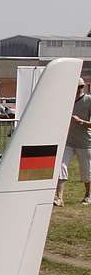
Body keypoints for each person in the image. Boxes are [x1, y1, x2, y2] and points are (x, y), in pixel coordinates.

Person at [54, 78, 91, 207]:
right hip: (68, 142)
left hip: (85, 143)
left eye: (81, 87)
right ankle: (60, 198)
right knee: (61, 167)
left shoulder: (88, 101)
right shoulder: (66, 101)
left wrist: (80, 122)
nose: (78, 90)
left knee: (86, 172)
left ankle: (88, 195)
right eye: (76, 87)